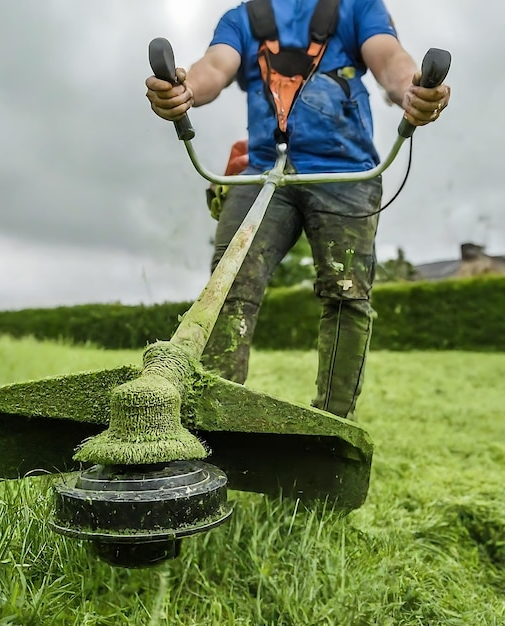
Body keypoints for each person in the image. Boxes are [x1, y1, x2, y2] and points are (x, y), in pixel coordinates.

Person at [145, 0, 451, 420]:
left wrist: (412, 89)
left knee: (347, 295)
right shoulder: (244, 19)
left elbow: (389, 58)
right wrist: (185, 90)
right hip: (264, 172)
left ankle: (331, 425)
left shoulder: (357, 9)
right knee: (227, 290)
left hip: (345, 173)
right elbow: (214, 67)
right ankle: (214, 425)